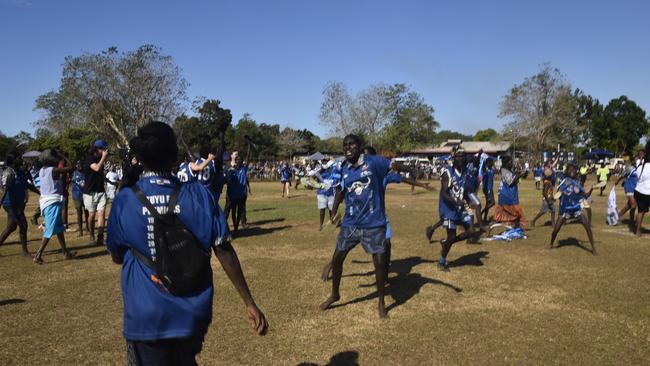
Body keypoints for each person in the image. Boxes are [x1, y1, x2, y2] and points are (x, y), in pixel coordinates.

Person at [107, 122, 267, 365]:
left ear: (138, 157)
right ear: (174, 158)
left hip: (147, 317)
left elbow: (117, 255)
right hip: (192, 313)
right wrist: (249, 303)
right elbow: (224, 250)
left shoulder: (125, 200)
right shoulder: (200, 195)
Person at [320, 134, 393, 318]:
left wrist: (411, 172)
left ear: (359, 146)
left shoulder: (374, 162)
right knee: (337, 259)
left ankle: (381, 302)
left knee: (379, 264)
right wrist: (334, 212)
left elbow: (394, 165)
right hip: (351, 223)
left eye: (352, 144)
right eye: (345, 145)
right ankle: (335, 294)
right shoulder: (343, 167)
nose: (348, 148)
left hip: (373, 223)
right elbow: (340, 192)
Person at [435, 149, 480, 271]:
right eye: (459, 156)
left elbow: (465, 190)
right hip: (446, 210)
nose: (462, 159)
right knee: (451, 235)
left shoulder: (465, 172)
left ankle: (447, 243)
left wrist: (470, 201)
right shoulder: (447, 172)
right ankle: (441, 261)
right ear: (454, 158)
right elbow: (443, 193)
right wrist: (455, 201)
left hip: (459, 208)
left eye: (463, 156)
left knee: (471, 231)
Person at [33, 149, 76, 264]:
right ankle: (38, 255)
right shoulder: (53, 170)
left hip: (47, 201)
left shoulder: (42, 170)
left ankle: (65, 253)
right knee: (50, 230)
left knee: (59, 228)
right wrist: (63, 155)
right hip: (53, 202)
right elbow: (71, 168)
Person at [550, 164, 595, 254]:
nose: (572, 171)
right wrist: (559, 195)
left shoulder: (578, 183)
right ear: (567, 172)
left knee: (587, 227)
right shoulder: (564, 182)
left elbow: (585, 195)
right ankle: (551, 244)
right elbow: (557, 195)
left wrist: (592, 189)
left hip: (576, 209)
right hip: (565, 210)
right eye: (570, 169)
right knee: (556, 229)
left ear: (576, 172)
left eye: (574, 170)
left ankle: (593, 248)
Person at [0, 154, 40, 256]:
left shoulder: (21, 172)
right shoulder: (9, 173)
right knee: (23, 225)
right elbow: (5, 190)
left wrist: (41, 193)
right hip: (10, 204)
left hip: (19, 203)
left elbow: (27, 185)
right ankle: (25, 252)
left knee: (11, 227)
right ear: (13, 162)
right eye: (18, 159)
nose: (21, 160)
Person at [83, 139, 109, 245]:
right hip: (90, 192)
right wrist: (103, 158)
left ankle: (100, 237)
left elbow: (100, 174)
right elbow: (97, 168)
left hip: (100, 191)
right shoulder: (90, 158)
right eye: (103, 149)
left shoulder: (100, 159)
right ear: (98, 149)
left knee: (101, 214)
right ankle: (91, 235)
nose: (104, 152)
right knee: (92, 215)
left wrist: (110, 181)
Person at [494, 155, 527, 228]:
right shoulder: (504, 171)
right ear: (508, 162)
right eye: (511, 162)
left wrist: (522, 174)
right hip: (508, 195)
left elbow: (514, 178)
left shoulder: (508, 170)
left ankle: (515, 229)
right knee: (517, 214)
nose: (512, 163)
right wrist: (519, 175)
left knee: (515, 215)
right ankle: (516, 230)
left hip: (511, 194)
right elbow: (511, 182)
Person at [616, 150, 645, 230]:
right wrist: (618, 181)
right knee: (633, 205)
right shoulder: (630, 168)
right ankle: (632, 222)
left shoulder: (641, 168)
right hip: (629, 188)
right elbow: (622, 175)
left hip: (635, 189)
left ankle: (616, 217)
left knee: (628, 206)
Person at [225, 149, 251, 233]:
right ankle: (235, 226)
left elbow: (248, 156)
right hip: (233, 194)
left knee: (240, 211)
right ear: (235, 161)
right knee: (233, 211)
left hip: (241, 194)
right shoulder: (231, 170)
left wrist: (249, 145)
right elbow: (228, 181)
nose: (239, 161)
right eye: (238, 160)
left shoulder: (244, 168)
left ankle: (237, 226)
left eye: (241, 160)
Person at [633, 141, 650, 237]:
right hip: (648, 191)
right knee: (640, 211)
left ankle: (638, 231)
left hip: (640, 191)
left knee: (640, 211)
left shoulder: (641, 164)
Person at [315, 161, 336, 230]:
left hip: (331, 192)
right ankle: (321, 225)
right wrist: (321, 169)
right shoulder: (319, 172)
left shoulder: (332, 172)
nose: (325, 165)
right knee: (322, 208)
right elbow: (315, 179)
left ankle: (332, 221)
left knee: (331, 208)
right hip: (321, 193)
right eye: (323, 164)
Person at [71, 161, 89, 236]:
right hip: (76, 195)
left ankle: (87, 227)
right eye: (78, 164)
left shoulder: (86, 173)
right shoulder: (74, 173)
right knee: (79, 213)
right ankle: (80, 230)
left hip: (85, 195)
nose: (80, 166)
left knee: (86, 212)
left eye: (81, 164)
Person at [481, 158, 495, 223]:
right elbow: (483, 170)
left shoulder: (492, 170)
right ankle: (481, 213)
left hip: (490, 188)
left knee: (488, 203)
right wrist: (484, 162)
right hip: (488, 189)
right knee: (492, 203)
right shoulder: (485, 171)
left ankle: (484, 218)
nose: (492, 163)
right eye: (491, 162)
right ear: (488, 163)